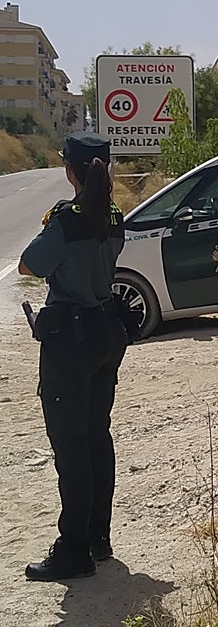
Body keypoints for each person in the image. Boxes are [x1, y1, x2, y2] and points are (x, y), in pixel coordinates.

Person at [19, 132, 128, 581]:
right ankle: (98, 538)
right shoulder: (114, 215)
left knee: (71, 446)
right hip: (106, 331)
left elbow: (29, 264)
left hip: (71, 340)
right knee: (96, 435)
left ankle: (73, 549)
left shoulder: (66, 219)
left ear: (71, 171)